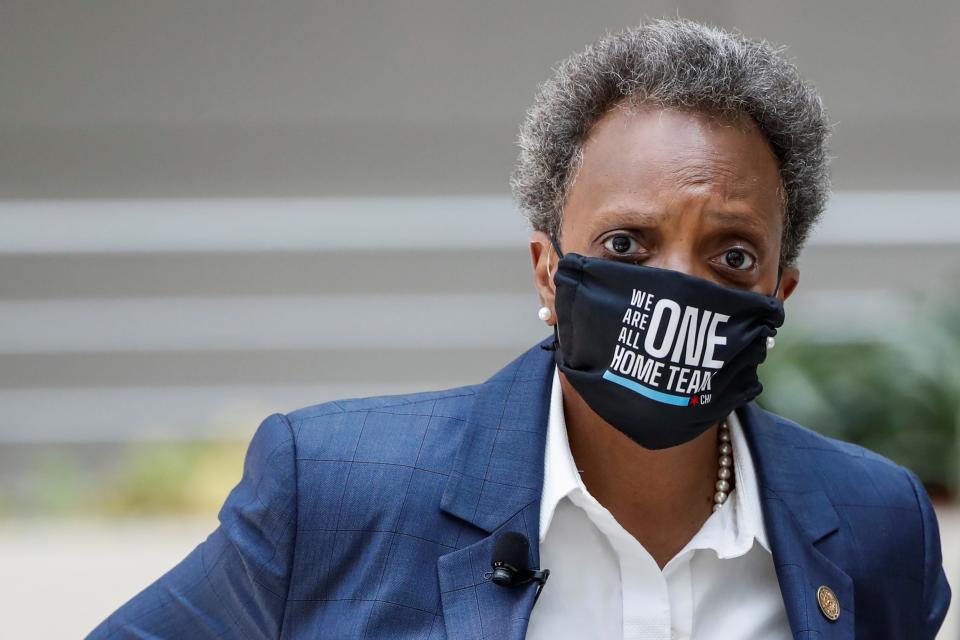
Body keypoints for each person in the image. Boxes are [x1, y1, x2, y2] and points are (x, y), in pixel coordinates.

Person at [87, 18, 951, 640]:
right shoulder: (334, 494)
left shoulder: (878, 524)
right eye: (627, 244)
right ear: (548, 267)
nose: (678, 287)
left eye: (731, 255)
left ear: (780, 288)